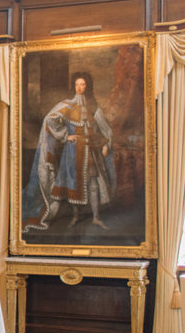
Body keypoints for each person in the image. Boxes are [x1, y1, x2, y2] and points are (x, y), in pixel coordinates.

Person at [22, 72, 116, 232]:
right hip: (73, 151)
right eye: (77, 84)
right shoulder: (67, 105)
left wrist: (106, 144)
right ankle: (75, 216)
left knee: (93, 183)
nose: (79, 87)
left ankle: (96, 217)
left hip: (90, 151)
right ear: (74, 86)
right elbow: (49, 120)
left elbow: (105, 128)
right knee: (73, 183)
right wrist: (66, 135)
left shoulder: (93, 107)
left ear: (87, 86)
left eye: (83, 84)